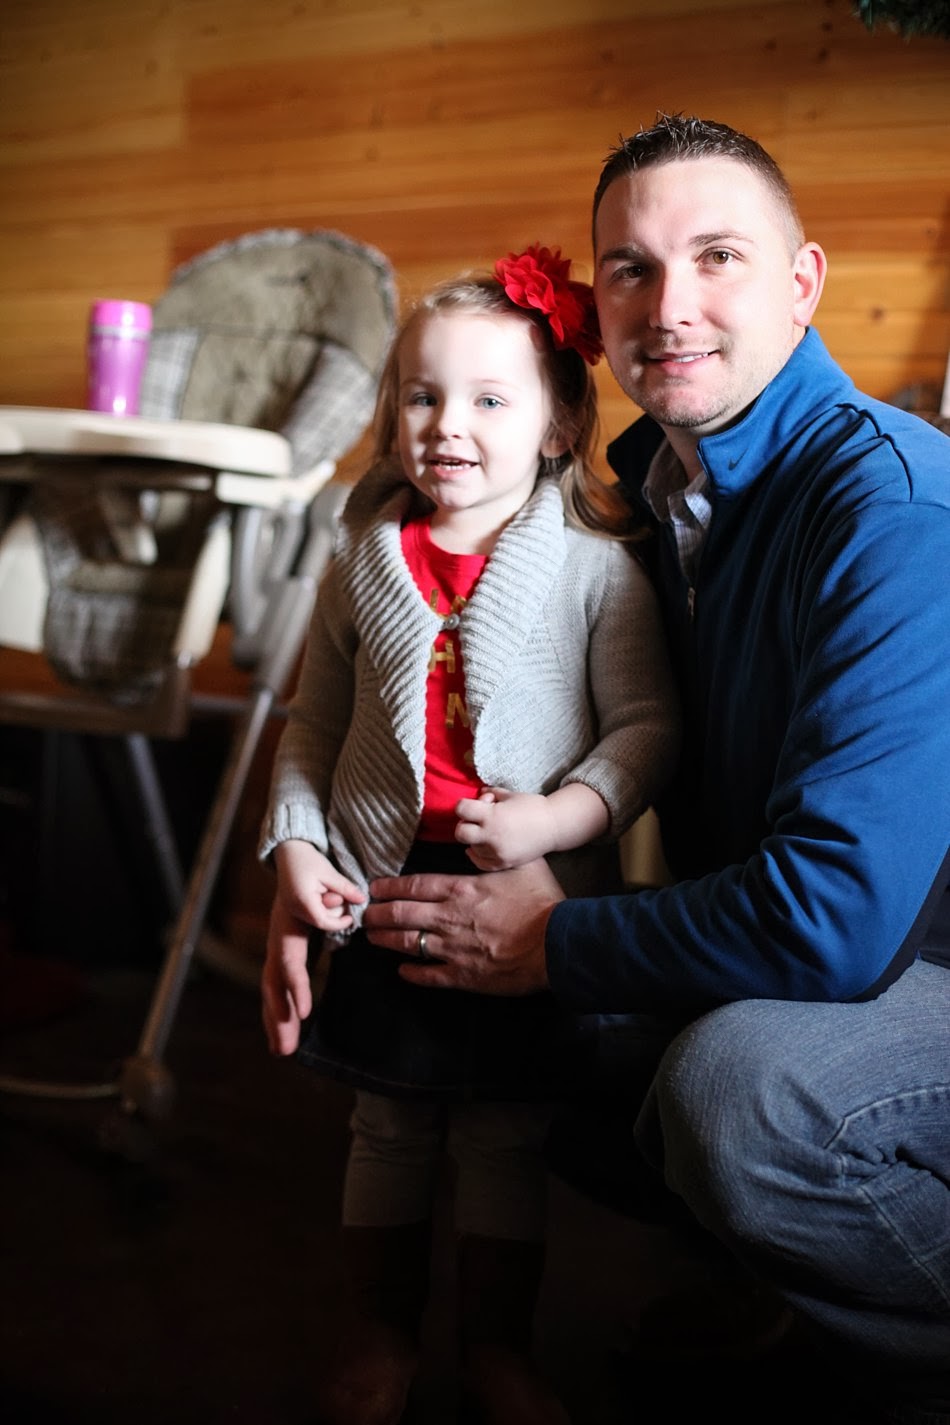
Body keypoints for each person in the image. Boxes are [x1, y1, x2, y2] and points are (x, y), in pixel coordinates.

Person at [357, 115, 950, 1423]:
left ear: (801, 282)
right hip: (821, 943)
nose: (668, 305)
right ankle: (785, 1281)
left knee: (743, 1095)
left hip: (922, 964)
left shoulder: (891, 507)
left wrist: (554, 940)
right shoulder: (642, 495)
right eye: (629, 267)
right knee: (537, 1046)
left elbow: (841, 916)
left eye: (716, 256)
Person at [259, 247, 680, 1424]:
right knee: (385, 1124)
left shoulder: (596, 570)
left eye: (490, 400)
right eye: (422, 395)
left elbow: (646, 730)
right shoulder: (362, 562)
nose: (447, 425)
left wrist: (560, 814)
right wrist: (296, 847)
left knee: (502, 1135)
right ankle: (380, 1332)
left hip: (526, 888)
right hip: (384, 880)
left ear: (557, 426)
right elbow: (311, 725)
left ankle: (497, 1348)